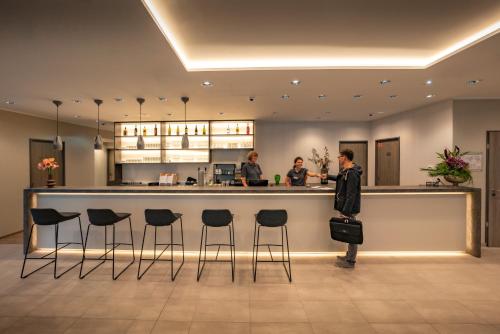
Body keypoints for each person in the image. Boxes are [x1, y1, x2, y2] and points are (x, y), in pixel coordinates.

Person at [322, 149, 362, 268]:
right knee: (348, 232)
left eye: (339, 157)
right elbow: (341, 178)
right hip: (345, 206)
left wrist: (346, 210)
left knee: (352, 233)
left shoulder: (352, 173)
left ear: (344, 157)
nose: (338, 159)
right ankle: (349, 256)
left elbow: (351, 194)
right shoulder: (346, 171)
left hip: (349, 208)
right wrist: (328, 176)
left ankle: (351, 261)